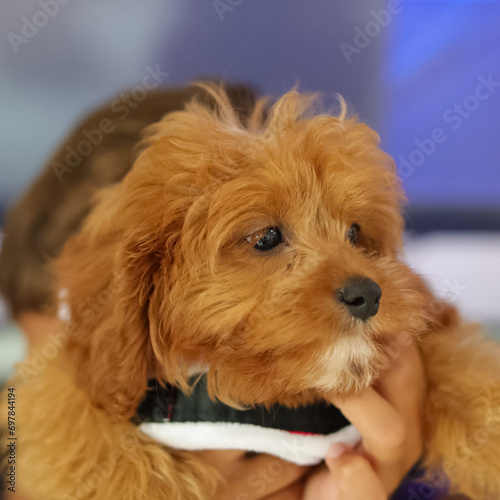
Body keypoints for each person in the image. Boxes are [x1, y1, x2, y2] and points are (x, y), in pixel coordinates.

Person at [0, 86, 458, 499]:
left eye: (354, 235)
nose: (35, 377)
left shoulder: (414, 446)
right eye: (36, 355)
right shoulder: (17, 418)